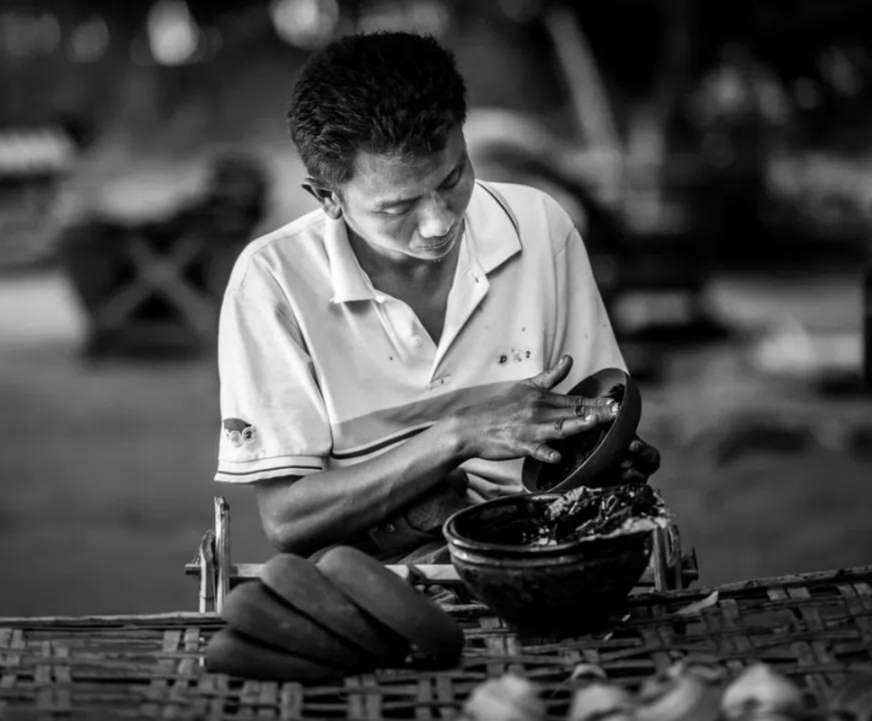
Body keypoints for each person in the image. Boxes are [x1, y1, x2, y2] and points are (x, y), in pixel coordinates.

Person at [214, 32, 659, 563]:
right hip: (377, 580)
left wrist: (605, 454)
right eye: (397, 208)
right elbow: (288, 519)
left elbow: (588, 414)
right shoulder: (273, 281)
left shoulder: (538, 226)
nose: (438, 222)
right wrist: (459, 435)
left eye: (452, 179)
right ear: (327, 197)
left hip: (540, 554)